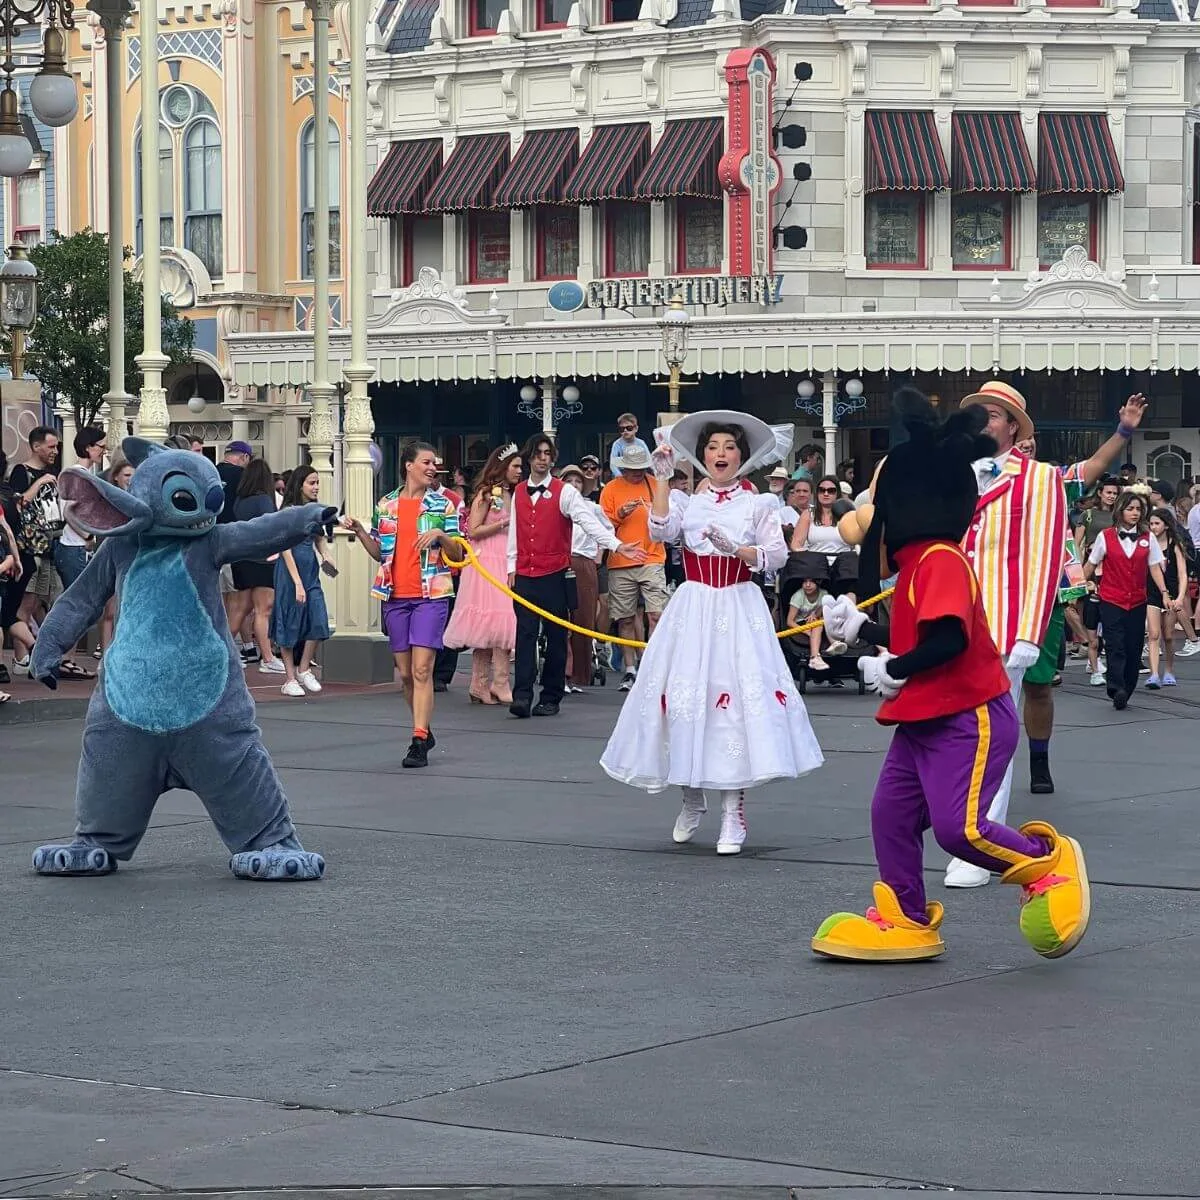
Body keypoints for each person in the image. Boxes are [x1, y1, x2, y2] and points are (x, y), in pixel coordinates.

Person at [813, 390, 1089, 963]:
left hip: (968, 715)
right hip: (923, 716)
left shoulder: (939, 557)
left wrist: (892, 666)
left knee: (960, 830)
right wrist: (864, 630)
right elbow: (918, 638)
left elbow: (947, 641)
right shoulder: (919, 564)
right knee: (890, 815)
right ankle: (905, 917)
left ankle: (1048, 863)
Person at [599, 410, 824, 855]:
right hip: (694, 604)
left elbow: (778, 556)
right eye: (713, 448)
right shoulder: (688, 501)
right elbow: (659, 530)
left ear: (742, 455)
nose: (720, 454)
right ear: (702, 456)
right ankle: (690, 797)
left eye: (729, 447)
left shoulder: (758, 503)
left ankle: (733, 811)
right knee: (683, 699)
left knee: (731, 705)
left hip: (738, 604)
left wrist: (739, 550)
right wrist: (661, 481)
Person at [938, 382, 1066, 889]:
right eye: (975, 415)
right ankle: (956, 826)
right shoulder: (951, 476)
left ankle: (980, 842)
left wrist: (1030, 631)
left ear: (1014, 426)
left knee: (989, 735)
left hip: (1004, 624)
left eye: (992, 415)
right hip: (949, 622)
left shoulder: (1038, 479)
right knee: (948, 730)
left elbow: (1045, 556)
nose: (982, 424)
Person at [1011, 393, 1149, 794]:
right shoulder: (979, 481)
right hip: (992, 597)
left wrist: (1124, 429)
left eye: (1031, 443)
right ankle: (979, 765)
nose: (1027, 446)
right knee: (984, 691)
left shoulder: (1054, 483)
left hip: (1039, 599)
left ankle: (1039, 762)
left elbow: (1096, 465)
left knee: (1037, 686)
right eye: (1020, 442)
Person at [343, 440, 460, 768]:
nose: (431, 467)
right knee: (407, 674)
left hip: (431, 595)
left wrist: (440, 536)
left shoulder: (443, 505)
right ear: (409, 465)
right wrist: (360, 533)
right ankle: (423, 727)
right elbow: (381, 553)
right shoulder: (387, 504)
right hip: (395, 596)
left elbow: (458, 554)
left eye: (433, 463)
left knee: (423, 670)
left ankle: (419, 738)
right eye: (426, 462)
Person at [507, 432, 636, 719]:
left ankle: (551, 695)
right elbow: (515, 532)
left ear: (552, 459)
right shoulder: (517, 492)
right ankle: (522, 695)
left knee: (556, 635)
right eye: (537, 453)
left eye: (547, 454)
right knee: (525, 636)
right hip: (525, 573)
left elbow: (588, 521)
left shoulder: (565, 492)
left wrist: (615, 545)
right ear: (529, 457)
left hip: (555, 573)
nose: (542, 459)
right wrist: (510, 568)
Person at [442, 442, 521, 704]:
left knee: (501, 622)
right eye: (516, 466)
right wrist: (502, 523)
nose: (520, 471)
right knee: (494, 620)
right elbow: (473, 530)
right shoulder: (487, 495)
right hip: (487, 560)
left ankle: (489, 682)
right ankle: (489, 682)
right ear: (502, 467)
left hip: (507, 559)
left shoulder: (514, 494)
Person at [1082, 491, 1168, 710]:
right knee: (1115, 645)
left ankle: (1126, 689)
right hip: (1111, 599)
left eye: (1138, 509)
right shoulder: (1105, 536)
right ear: (1120, 511)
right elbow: (1091, 564)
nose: (1135, 513)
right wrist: (1076, 584)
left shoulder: (1148, 538)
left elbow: (1155, 567)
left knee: (1133, 646)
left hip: (1138, 600)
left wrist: (1165, 592)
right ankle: (1115, 686)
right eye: (1130, 509)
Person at [600, 443, 669, 692]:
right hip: (620, 560)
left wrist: (656, 512)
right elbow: (601, 526)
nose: (636, 473)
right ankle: (630, 669)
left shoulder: (655, 484)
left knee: (656, 615)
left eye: (640, 468)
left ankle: (653, 666)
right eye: (631, 469)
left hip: (652, 556)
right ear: (623, 468)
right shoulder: (611, 488)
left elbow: (669, 517)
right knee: (625, 618)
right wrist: (619, 514)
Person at [271, 465, 334, 698]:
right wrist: (296, 581)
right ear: (300, 485)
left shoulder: (315, 510)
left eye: (317, 482)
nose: (316, 487)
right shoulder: (288, 512)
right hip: (289, 573)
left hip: (310, 570)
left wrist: (326, 554)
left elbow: (319, 538)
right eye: (311, 483)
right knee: (289, 621)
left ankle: (304, 668)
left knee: (318, 619)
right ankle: (289, 678)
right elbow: (284, 546)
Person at [228, 458, 285, 675]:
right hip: (262, 559)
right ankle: (268, 657)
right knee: (264, 610)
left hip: (241, 557)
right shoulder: (263, 500)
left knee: (241, 608)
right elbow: (272, 527)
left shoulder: (240, 501)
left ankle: (223, 649)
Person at [559, 462, 609, 691]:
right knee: (562, 619)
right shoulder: (555, 506)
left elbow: (608, 530)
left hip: (585, 561)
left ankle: (580, 674)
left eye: (578, 481)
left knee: (583, 618)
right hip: (561, 562)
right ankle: (563, 672)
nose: (574, 485)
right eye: (569, 481)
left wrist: (599, 554)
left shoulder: (593, 508)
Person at [1077, 475, 1120, 686]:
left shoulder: (1119, 516)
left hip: (1112, 568)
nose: (1111, 496)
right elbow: (1076, 544)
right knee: (1086, 608)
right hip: (1090, 565)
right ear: (1100, 493)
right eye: (1108, 492)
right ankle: (1091, 650)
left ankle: (1096, 655)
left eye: (1115, 493)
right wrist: (1075, 571)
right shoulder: (1088, 515)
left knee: (1108, 611)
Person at [789, 474, 858, 599]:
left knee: (850, 561)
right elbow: (796, 544)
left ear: (837, 493)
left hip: (843, 567)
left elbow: (856, 541)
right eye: (822, 490)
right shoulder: (808, 514)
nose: (826, 494)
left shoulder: (848, 514)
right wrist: (805, 554)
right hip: (816, 567)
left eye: (831, 491)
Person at [55, 427, 107, 591]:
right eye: (101, 447)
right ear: (88, 447)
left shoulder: (83, 474)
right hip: (76, 548)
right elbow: (68, 511)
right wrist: (88, 537)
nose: (104, 451)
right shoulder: (77, 475)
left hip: (78, 548)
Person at [1145, 507, 1188, 689]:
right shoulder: (1147, 543)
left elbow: (1182, 574)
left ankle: (1169, 670)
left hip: (1171, 593)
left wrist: (1179, 597)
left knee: (1169, 636)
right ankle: (1154, 673)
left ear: (1166, 525)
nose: (1153, 527)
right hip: (1152, 593)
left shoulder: (1174, 544)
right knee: (1154, 634)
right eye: (1151, 523)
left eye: (1157, 523)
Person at [786, 573, 830, 671]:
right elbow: (789, 621)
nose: (808, 585)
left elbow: (823, 609)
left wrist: (815, 614)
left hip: (816, 620)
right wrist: (806, 631)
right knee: (817, 625)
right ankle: (814, 657)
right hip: (800, 623)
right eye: (805, 582)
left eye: (811, 582)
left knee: (820, 620)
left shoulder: (824, 594)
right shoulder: (798, 596)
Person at [609, 413, 651, 477]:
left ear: (636, 428)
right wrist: (619, 475)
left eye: (629, 428)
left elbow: (649, 459)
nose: (625, 431)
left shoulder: (641, 443)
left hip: (639, 472)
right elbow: (612, 463)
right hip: (623, 474)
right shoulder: (617, 444)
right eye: (622, 429)